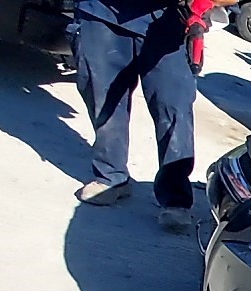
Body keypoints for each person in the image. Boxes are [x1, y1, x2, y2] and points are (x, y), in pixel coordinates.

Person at [72, 0, 236, 231]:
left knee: (172, 108)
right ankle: (111, 176)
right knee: (102, 96)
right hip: (100, 12)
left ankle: (175, 198)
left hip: (169, 23)